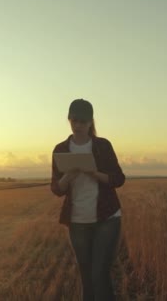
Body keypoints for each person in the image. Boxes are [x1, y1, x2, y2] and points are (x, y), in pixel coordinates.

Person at [50, 98, 126, 301]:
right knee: (86, 277)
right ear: (68, 119)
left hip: (107, 218)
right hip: (77, 221)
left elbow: (119, 179)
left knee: (99, 275)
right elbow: (56, 189)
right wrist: (68, 176)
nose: (78, 125)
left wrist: (95, 173)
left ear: (91, 122)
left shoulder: (102, 146)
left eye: (83, 121)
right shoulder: (60, 149)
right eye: (74, 120)